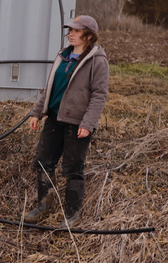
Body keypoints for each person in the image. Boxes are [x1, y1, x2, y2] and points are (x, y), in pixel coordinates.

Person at [24, 15, 110, 226]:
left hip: (77, 124)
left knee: (73, 169)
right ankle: (43, 205)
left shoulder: (97, 60)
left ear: (89, 35)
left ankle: (72, 213)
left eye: (77, 30)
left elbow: (99, 95)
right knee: (43, 163)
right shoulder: (63, 56)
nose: (71, 33)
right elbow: (50, 87)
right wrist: (37, 113)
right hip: (54, 118)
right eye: (70, 29)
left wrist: (87, 124)